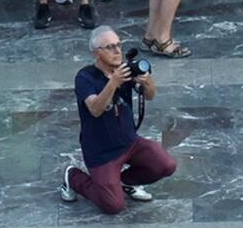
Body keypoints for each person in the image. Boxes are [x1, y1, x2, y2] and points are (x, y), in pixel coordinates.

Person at [62, 25, 178, 214]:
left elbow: (149, 96)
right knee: (113, 205)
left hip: (128, 141)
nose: (117, 51)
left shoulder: (125, 70)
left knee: (166, 165)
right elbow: (95, 109)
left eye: (119, 45)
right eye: (110, 47)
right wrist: (113, 83)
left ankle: (125, 182)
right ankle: (73, 177)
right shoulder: (85, 77)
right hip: (101, 150)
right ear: (96, 53)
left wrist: (148, 83)